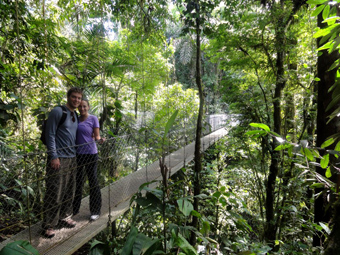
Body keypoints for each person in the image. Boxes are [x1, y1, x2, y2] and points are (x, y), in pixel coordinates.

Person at [42, 87, 83, 238]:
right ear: (68, 97)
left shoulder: (75, 115)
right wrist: (53, 156)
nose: (76, 100)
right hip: (58, 158)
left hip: (72, 158)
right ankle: (49, 225)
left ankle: (65, 217)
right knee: (55, 191)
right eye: (74, 97)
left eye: (79, 98)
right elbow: (50, 134)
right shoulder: (58, 112)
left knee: (69, 190)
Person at [73, 99, 103, 221]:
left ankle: (95, 210)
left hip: (91, 154)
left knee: (93, 181)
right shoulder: (75, 119)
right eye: (80, 107)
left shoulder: (93, 119)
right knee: (77, 182)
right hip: (78, 155)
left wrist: (100, 139)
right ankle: (74, 210)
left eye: (84, 106)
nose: (82, 109)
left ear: (88, 107)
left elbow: (97, 136)